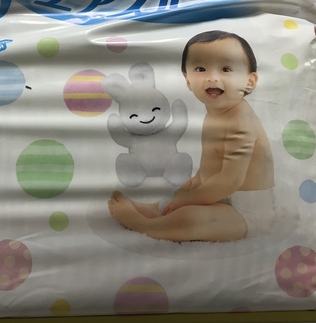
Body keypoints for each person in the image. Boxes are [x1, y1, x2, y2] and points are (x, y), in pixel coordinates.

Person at [108, 30, 274, 242]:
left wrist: (186, 200)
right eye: (201, 69)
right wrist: (185, 191)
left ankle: (144, 225)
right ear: (188, 80)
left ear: (249, 81)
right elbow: (208, 170)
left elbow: (230, 180)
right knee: (181, 199)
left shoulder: (241, 121)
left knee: (193, 218)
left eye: (225, 69)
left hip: (249, 213)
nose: (212, 77)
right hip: (219, 198)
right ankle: (158, 210)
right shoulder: (215, 114)